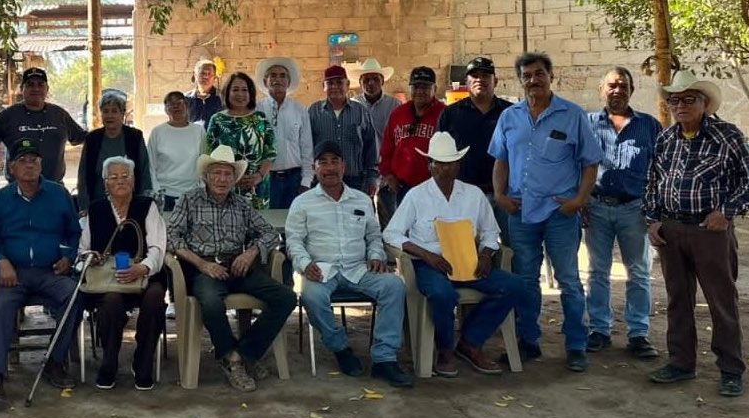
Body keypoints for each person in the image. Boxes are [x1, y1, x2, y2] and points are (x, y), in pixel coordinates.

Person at [644, 70, 749, 397]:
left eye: (688, 99)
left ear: (704, 103)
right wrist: (652, 220)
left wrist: (726, 212)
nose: (680, 105)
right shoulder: (665, 139)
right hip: (671, 229)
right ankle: (682, 363)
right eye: (675, 100)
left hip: (710, 231)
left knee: (721, 301)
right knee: (677, 300)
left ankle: (730, 369)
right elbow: (653, 184)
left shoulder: (727, 135)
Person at [488, 52, 600, 372]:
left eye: (539, 74)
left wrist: (579, 200)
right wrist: (500, 195)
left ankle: (576, 343)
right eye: (527, 75)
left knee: (568, 278)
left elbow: (590, 162)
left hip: (560, 213)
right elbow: (501, 159)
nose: (533, 80)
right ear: (520, 81)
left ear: (552, 76)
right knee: (525, 279)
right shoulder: (510, 117)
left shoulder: (572, 115)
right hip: (520, 211)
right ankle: (529, 340)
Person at [384, 132, 525, 377]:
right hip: (430, 264)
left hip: (469, 261)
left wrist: (486, 255)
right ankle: (445, 349)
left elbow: (491, 232)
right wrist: (426, 255)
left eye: (450, 163)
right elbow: (392, 234)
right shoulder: (416, 196)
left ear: (458, 165)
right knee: (441, 294)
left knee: (515, 286)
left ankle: (470, 342)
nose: (445, 169)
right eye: (439, 163)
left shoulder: (474, 194)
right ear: (430, 165)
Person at [168, 145, 296, 392]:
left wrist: (250, 253)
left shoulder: (242, 204)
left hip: (239, 266)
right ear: (206, 176)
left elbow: (269, 233)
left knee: (286, 297)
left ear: (234, 178)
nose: (222, 179)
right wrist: (202, 264)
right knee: (211, 302)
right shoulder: (189, 200)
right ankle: (235, 359)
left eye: (227, 174)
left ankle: (241, 354)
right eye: (216, 173)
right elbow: (172, 237)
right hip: (204, 267)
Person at [0, 138, 83, 409]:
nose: (29, 165)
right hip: (14, 274)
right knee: (3, 305)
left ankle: (55, 361)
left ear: (42, 165)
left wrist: (68, 257)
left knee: (75, 295)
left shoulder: (58, 194)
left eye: (34, 160)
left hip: (51, 272)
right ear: (12, 168)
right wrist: (1, 262)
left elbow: (75, 232)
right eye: (23, 160)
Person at [286, 140, 413, 387]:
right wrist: (304, 263)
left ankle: (384, 359)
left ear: (344, 166)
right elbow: (293, 240)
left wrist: (376, 256)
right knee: (311, 295)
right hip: (321, 269)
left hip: (359, 267)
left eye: (335, 161)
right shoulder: (303, 202)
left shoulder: (362, 200)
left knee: (394, 286)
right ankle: (340, 347)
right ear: (314, 168)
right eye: (323, 162)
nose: (329, 167)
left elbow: (374, 235)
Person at [584, 67, 661, 359]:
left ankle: (638, 333)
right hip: (596, 208)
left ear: (632, 90)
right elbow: (576, 164)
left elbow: (660, 170)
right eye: (612, 85)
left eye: (623, 86)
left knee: (639, 273)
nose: (618, 90)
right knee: (597, 272)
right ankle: (599, 330)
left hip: (634, 209)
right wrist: (580, 203)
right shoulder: (587, 123)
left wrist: (655, 212)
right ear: (601, 89)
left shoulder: (649, 126)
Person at [80, 157, 167, 390]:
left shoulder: (147, 206)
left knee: (155, 297)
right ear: (105, 183)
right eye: (114, 177)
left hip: (145, 273)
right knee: (110, 302)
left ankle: (143, 361)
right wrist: (91, 257)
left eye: (125, 176)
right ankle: (109, 363)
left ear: (134, 180)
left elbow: (158, 246)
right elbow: (83, 249)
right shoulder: (96, 209)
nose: (120, 181)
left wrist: (144, 267)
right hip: (109, 279)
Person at [438, 56, 513, 241]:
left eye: (486, 75)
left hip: (504, 196)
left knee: (512, 250)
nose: (480, 79)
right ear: (466, 82)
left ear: (496, 81)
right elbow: (438, 155)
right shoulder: (450, 114)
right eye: (474, 76)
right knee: (467, 248)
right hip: (464, 196)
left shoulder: (511, 113)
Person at [0, 67, 87, 184]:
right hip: (18, 191)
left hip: (54, 190)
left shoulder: (59, 114)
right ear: (22, 89)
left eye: (40, 84)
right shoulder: (8, 116)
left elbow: (82, 137)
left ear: (47, 89)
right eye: (30, 84)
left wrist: (107, 129)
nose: (36, 88)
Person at [205, 71, 277, 209]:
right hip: (225, 187)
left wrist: (259, 176)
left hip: (258, 187)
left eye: (244, 90)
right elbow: (210, 154)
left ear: (250, 94)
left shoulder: (260, 118)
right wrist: (230, 179)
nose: (240, 94)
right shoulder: (217, 120)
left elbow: (271, 152)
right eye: (235, 90)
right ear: (227, 93)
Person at [308, 65, 379, 195]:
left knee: (359, 214)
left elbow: (371, 147)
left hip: (356, 180)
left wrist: (372, 178)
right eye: (330, 83)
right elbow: (307, 147)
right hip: (323, 180)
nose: (335, 87)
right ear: (324, 86)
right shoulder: (313, 112)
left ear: (348, 85)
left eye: (339, 82)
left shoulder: (360, 111)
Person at [77, 89, 151, 213]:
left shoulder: (134, 137)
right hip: (98, 204)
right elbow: (83, 175)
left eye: (114, 111)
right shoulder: (92, 139)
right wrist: (85, 206)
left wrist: (144, 204)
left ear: (122, 114)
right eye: (105, 111)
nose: (109, 115)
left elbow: (144, 172)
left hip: (131, 206)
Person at [380, 66, 446, 204]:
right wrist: (388, 175)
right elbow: (387, 148)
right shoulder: (398, 113)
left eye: (425, 87)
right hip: (402, 187)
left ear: (435, 88)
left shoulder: (445, 114)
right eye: (416, 87)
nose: (420, 91)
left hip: (435, 186)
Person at [255, 56, 313, 210]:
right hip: (265, 179)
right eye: (272, 75)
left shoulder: (300, 110)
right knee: (266, 226)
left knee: (293, 228)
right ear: (265, 80)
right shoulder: (256, 110)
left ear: (288, 81)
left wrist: (306, 181)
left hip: (294, 179)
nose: (277, 79)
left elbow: (307, 148)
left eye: (282, 75)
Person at [350, 57, 402, 226]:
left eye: (375, 79)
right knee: (363, 216)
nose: (371, 83)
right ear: (360, 82)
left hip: (388, 170)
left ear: (382, 82)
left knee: (389, 214)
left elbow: (399, 140)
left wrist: (392, 171)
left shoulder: (394, 105)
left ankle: (389, 249)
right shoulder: (353, 105)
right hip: (363, 170)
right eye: (366, 79)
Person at [147, 90, 205, 212]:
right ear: (166, 109)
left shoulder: (198, 131)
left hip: (192, 194)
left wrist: (201, 189)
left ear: (186, 106)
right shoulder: (157, 132)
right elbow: (150, 166)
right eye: (171, 103)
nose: (175, 106)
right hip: (164, 195)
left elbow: (204, 163)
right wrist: (158, 193)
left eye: (179, 102)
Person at [185, 58, 223, 126]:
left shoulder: (223, 98)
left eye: (209, 73)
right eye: (202, 73)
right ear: (195, 75)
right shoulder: (185, 99)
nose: (206, 76)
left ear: (214, 78)